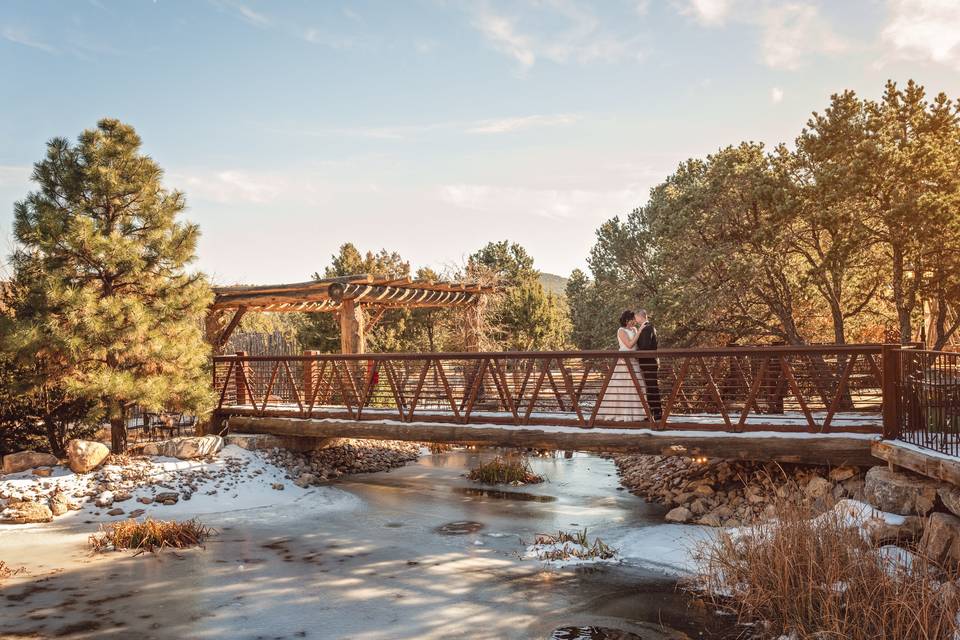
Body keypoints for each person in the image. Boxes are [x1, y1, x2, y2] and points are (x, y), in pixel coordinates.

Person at [597, 309, 647, 422]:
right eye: (632, 320)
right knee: (623, 387)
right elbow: (629, 345)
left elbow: (636, 346)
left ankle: (638, 413)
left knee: (637, 386)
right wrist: (639, 332)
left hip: (634, 361)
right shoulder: (621, 331)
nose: (634, 322)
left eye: (634, 319)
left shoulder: (634, 329)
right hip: (624, 362)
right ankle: (622, 413)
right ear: (626, 320)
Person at [634, 309, 662, 421]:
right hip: (650, 362)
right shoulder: (650, 327)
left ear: (640, 317)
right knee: (651, 387)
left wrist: (635, 354)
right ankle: (654, 412)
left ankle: (657, 413)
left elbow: (644, 347)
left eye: (636, 318)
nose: (635, 320)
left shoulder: (646, 328)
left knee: (652, 388)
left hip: (649, 363)